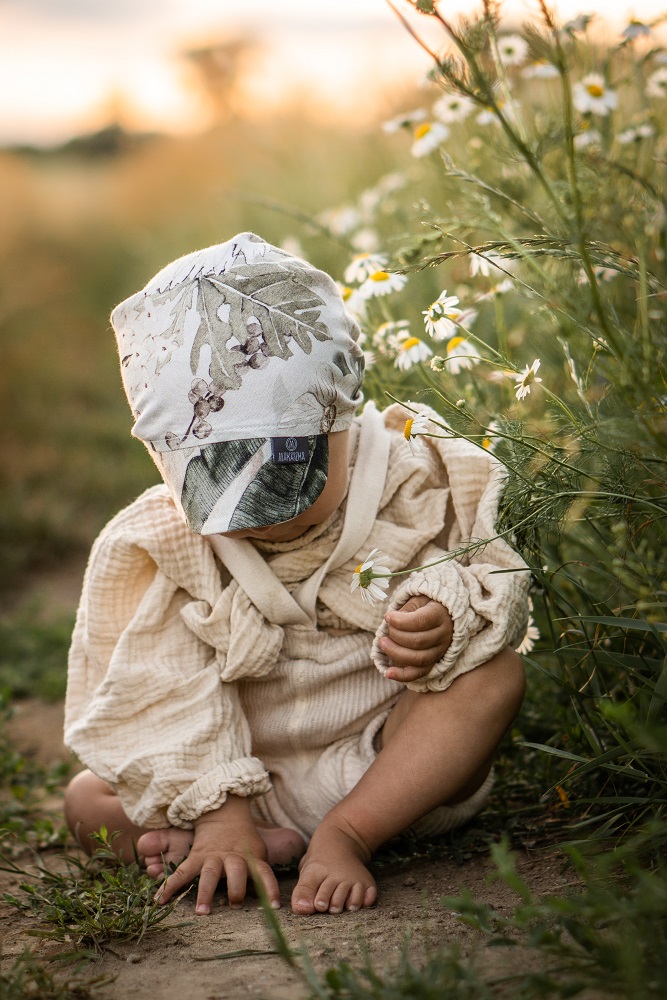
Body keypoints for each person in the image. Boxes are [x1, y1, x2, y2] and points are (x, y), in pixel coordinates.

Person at [63, 232, 529, 918]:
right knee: (85, 796)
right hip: (235, 775)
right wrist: (219, 809)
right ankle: (205, 838)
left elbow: (485, 568)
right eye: (219, 491)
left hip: (380, 761)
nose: (256, 520)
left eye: (284, 481)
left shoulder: (415, 468)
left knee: (492, 676)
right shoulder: (160, 539)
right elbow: (157, 680)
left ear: (342, 413)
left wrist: (442, 610)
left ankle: (345, 834)